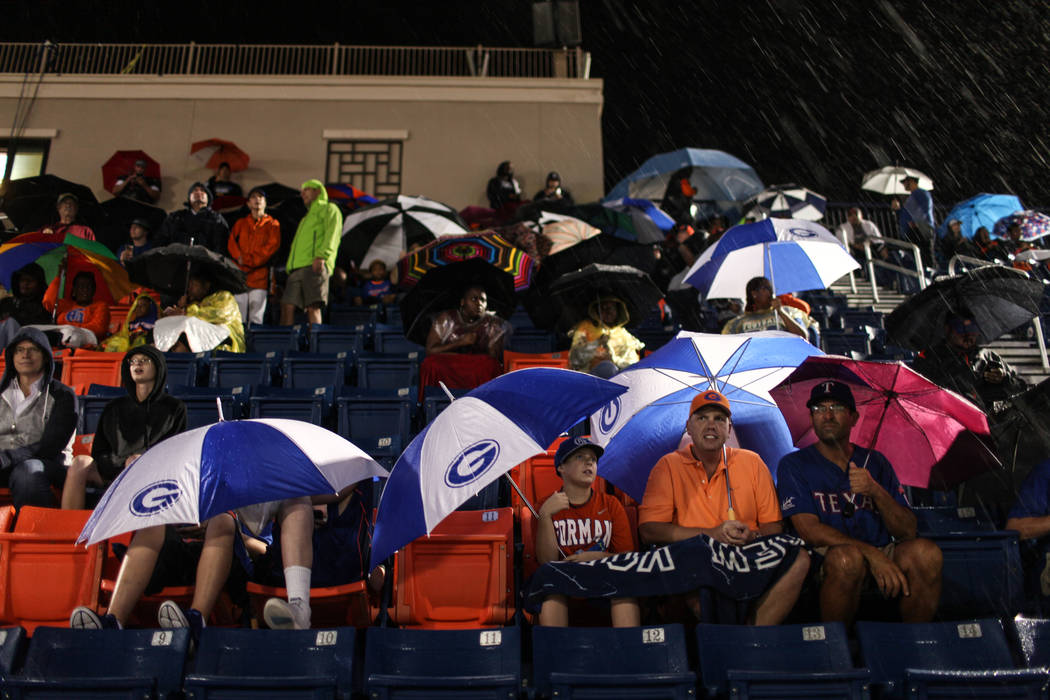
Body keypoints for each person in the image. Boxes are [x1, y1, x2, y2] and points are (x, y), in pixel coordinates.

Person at [776, 381, 943, 624]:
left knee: (927, 554)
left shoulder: (876, 462)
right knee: (848, 560)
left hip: (881, 548)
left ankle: (915, 645)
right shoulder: (794, 464)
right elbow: (808, 530)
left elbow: (907, 530)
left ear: (854, 417)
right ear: (811, 417)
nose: (828, 415)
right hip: (825, 555)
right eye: (819, 409)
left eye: (837, 407)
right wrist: (870, 554)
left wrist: (874, 490)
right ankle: (837, 651)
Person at [638, 390, 809, 624]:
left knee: (798, 557)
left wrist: (752, 536)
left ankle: (752, 637)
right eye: (702, 418)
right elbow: (649, 531)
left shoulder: (752, 462)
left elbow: (773, 527)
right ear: (688, 426)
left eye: (719, 419)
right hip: (695, 556)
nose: (711, 426)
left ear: (729, 429)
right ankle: (728, 640)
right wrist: (711, 535)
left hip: (747, 553)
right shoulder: (668, 465)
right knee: (696, 563)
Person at [70, 497, 315, 635]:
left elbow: (265, 550)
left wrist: (235, 534)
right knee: (153, 524)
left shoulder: (269, 497)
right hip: (190, 552)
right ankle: (113, 621)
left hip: (234, 562)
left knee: (222, 521)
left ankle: (196, 619)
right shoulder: (205, 486)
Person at [61, 347, 186, 510]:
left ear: (158, 367)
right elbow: (99, 452)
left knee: (135, 461)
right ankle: (68, 527)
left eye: (144, 360)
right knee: (79, 463)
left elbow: (174, 452)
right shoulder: (114, 407)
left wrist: (136, 461)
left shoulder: (174, 408)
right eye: (133, 361)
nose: (137, 365)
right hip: (113, 468)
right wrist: (120, 463)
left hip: (152, 472)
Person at [535, 436, 639, 627]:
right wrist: (545, 517)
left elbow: (627, 559)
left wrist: (597, 557)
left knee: (625, 585)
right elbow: (546, 562)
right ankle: (556, 655)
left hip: (605, 579)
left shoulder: (611, 504)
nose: (589, 461)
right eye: (580, 457)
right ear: (561, 467)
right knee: (550, 590)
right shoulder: (545, 506)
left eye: (592, 458)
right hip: (564, 584)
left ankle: (629, 653)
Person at [0, 328, 77, 509]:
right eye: (19, 350)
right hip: (3, 461)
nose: (25, 355)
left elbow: (48, 446)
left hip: (47, 463)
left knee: (28, 472)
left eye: (33, 349)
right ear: (12, 356)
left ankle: (31, 531)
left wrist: (5, 458)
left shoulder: (63, 395)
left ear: (45, 356)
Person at [912, 313, 1027, 414]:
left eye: (972, 328)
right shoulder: (929, 358)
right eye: (961, 328)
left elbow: (1020, 388)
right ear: (948, 329)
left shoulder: (988, 357)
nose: (968, 334)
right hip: (947, 425)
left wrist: (1004, 379)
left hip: (987, 428)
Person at [421, 285, 510, 391]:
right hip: (450, 364)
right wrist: (460, 342)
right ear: (462, 302)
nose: (479, 304)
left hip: (475, 367)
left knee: (490, 365)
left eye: (483, 300)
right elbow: (430, 350)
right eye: (474, 299)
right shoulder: (445, 318)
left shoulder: (493, 324)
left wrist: (488, 336)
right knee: (430, 364)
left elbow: (493, 358)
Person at [279, 179, 342, 327]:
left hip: (315, 264)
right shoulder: (305, 218)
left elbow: (332, 234)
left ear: (318, 191)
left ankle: (314, 343)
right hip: (297, 267)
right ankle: (287, 345)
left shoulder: (330, 209)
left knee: (313, 307)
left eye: (307, 189)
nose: (302, 193)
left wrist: (322, 256)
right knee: (287, 305)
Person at [227, 187, 280, 326]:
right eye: (253, 197)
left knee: (257, 316)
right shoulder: (241, 223)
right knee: (238, 317)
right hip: (240, 277)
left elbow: (271, 247)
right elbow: (231, 242)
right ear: (248, 203)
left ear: (265, 203)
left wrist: (247, 260)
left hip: (260, 277)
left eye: (260, 197)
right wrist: (239, 256)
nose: (257, 200)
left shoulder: (273, 224)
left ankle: (254, 347)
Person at [161, 269, 245, 353]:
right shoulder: (196, 303)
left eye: (191, 285)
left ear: (205, 283)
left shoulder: (225, 296)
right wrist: (181, 308)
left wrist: (185, 312)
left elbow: (219, 314)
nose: (189, 290)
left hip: (227, 345)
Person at [568, 297, 644, 379]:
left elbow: (632, 362)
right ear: (597, 311)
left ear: (618, 310)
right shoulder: (585, 329)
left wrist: (614, 359)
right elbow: (574, 360)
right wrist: (596, 345)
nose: (607, 312)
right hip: (590, 377)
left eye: (610, 308)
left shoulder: (622, 333)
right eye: (603, 308)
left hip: (621, 377)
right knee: (607, 368)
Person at [721, 276, 812, 339]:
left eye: (771, 289)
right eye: (765, 289)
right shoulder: (736, 323)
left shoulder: (789, 312)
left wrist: (781, 311)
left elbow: (803, 337)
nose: (770, 293)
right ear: (754, 294)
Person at [157, 182, 231, 255]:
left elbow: (222, 246)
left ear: (209, 198)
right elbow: (161, 241)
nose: (198, 192)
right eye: (195, 190)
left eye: (203, 191)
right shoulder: (176, 217)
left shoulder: (217, 219)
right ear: (189, 197)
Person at [43, 271, 111, 345]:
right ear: (74, 290)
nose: (85, 290)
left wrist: (69, 328)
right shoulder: (66, 304)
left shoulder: (100, 306)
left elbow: (98, 329)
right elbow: (48, 301)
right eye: (81, 286)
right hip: (61, 344)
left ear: (93, 290)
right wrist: (59, 276)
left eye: (88, 287)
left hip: (87, 347)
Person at [894, 174, 936, 264]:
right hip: (913, 231)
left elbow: (925, 209)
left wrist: (915, 222)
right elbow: (906, 213)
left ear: (912, 181)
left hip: (919, 230)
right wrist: (897, 210)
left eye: (905, 182)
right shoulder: (912, 196)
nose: (904, 185)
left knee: (923, 257)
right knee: (918, 258)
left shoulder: (920, 193)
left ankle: (929, 274)